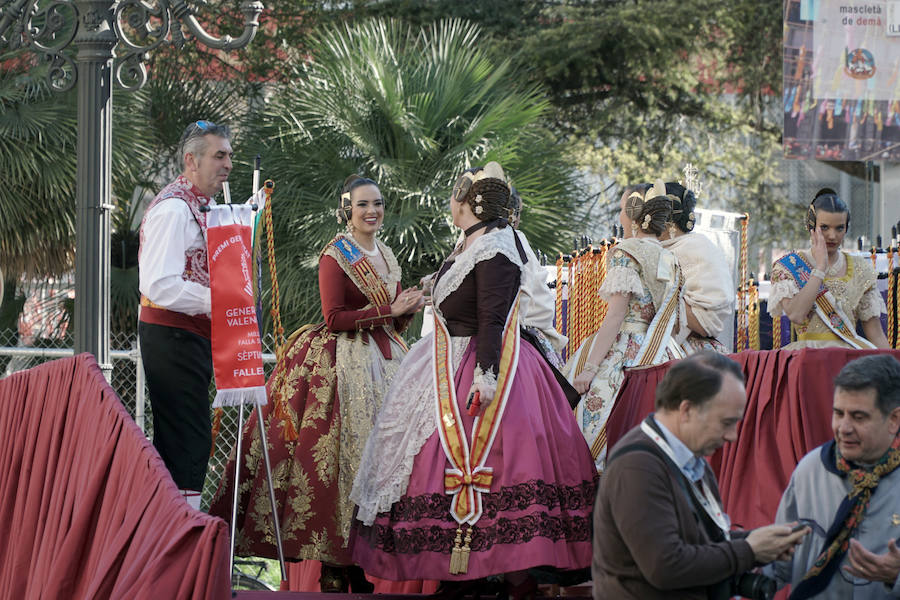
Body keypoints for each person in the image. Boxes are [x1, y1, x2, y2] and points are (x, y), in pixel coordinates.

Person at [350, 162, 597, 598]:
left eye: (455, 195)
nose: (451, 202)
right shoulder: (469, 244)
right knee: (424, 461)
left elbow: (492, 320)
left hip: (487, 369)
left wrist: (484, 378)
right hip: (445, 360)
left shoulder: (497, 247)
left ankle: (490, 572)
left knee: (492, 464)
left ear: (468, 202)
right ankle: (463, 573)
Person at [208, 175, 424, 592]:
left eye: (377, 203)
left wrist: (408, 307)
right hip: (340, 367)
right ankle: (334, 564)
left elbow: (394, 319)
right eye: (362, 205)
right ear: (347, 210)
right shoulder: (335, 255)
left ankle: (358, 558)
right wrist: (388, 310)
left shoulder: (386, 252)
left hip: (386, 361)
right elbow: (334, 318)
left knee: (383, 461)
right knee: (338, 465)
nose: (371, 211)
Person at [593, 351, 809, 599]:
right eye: (726, 422)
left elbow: (700, 541)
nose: (732, 436)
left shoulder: (689, 460)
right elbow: (666, 567)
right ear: (687, 410)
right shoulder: (637, 466)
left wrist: (762, 542)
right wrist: (749, 549)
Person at [138, 119, 233, 509]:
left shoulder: (197, 204)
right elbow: (158, 284)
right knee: (186, 436)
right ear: (191, 160)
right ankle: (179, 527)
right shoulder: (175, 208)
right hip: (172, 335)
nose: (228, 164)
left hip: (186, 335)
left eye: (230, 155)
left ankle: (176, 523)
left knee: (187, 434)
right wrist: (221, 299)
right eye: (219, 155)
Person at [562, 181, 686, 471]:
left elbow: (616, 316)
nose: (620, 217)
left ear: (633, 214)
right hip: (663, 352)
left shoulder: (626, 252)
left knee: (591, 430)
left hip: (624, 353)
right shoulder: (672, 258)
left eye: (621, 210)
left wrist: (590, 369)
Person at [767, 354, 900, 599]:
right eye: (839, 414)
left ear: (894, 419)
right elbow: (778, 563)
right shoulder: (811, 470)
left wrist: (896, 576)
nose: (844, 428)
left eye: (859, 417)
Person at [769, 188, 888, 349]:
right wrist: (820, 268)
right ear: (811, 225)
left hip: (849, 359)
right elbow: (796, 314)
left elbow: (876, 334)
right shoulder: (788, 266)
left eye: (839, 228)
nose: (832, 236)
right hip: (808, 357)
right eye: (824, 227)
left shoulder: (860, 268)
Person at [659, 181, 735, 353]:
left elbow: (707, 321)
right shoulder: (656, 249)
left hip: (691, 352)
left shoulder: (697, 247)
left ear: (667, 219)